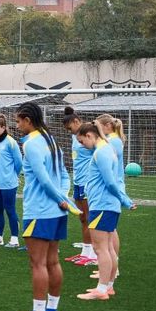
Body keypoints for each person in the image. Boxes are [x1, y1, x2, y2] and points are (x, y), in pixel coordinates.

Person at [11, 101, 73, 311]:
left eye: (18, 121)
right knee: (52, 261)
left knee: (37, 263)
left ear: (28, 120)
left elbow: (44, 179)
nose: (17, 126)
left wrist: (59, 198)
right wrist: (63, 197)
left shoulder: (32, 144)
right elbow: (64, 174)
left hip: (40, 210)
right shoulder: (51, 140)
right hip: (56, 212)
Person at [74, 123, 135, 301]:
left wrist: (125, 200)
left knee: (101, 249)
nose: (81, 145)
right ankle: (108, 287)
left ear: (89, 135)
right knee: (107, 248)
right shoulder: (106, 150)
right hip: (107, 205)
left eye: (81, 140)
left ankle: (101, 289)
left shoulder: (101, 152)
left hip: (102, 205)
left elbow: (110, 182)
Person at [61, 108, 94, 263]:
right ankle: (85, 252)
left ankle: (93, 254)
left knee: (89, 218)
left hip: (88, 182)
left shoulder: (89, 134)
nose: (70, 132)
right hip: (78, 182)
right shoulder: (76, 137)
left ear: (76, 121)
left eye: (70, 128)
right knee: (82, 218)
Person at [0, 114, 23, 249]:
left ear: (3, 127)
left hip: (9, 184)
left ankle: (14, 239)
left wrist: (12, 176)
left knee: (10, 210)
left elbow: (19, 163)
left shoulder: (11, 142)